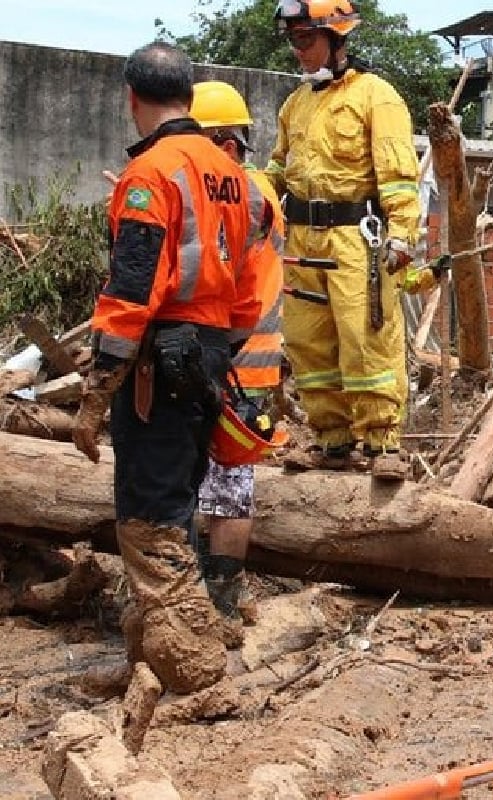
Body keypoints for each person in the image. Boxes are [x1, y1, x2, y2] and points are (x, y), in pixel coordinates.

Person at [72, 42, 269, 694]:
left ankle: (195, 672)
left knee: (151, 524)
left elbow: (129, 293)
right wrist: (215, 357)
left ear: (132, 97)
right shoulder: (237, 179)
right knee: (171, 509)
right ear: (188, 95)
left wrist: (97, 393)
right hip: (205, 361)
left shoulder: (151, 175)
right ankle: (146, 664)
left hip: (157, 366)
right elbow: (249, 292)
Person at [265, 0, 437, 480]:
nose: (298, 51)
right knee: (308, 342)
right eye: (293, 41)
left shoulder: (376, 97)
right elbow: (279, 169)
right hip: (301, 241)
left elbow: (400, 179)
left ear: (336, 37)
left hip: (354, 240)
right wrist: (251, 193)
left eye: (306, 39)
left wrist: (403, 236)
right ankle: (332, 441)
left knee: (366, 340)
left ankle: (383, 444)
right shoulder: (295, 104)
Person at [190, 80, 285, 621]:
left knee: (226, 487)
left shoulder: (242, 195)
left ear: (224, 144)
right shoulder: (254, 189)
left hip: (234, 363)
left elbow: (211, 272)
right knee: (223, 485)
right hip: (242, 362)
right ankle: (215, 595)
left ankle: (220, 602)